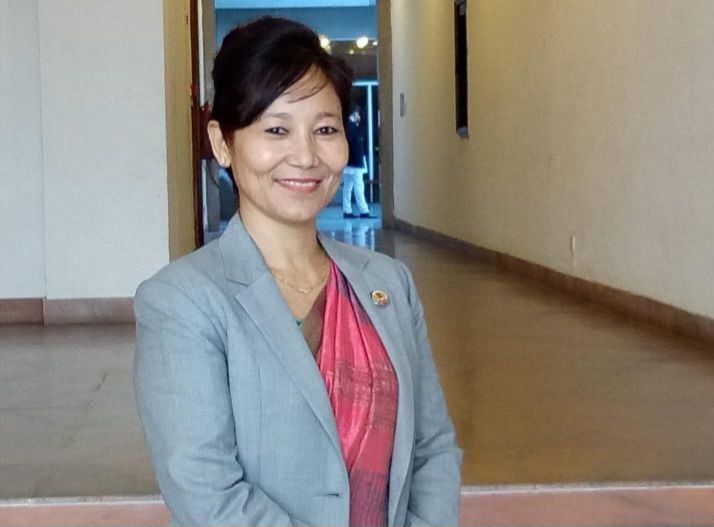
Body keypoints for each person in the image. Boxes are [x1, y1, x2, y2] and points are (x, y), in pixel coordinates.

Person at [133, 16, 461, 527]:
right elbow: (206, 491)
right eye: (276, 130)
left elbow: (431, 447)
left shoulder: (388, 283)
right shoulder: (182, 300)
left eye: (325, 129)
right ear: (222, 142)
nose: (306, 156)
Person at [342, 106, 374, 218]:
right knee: (358, 186)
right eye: (358, 114)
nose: (359, 116)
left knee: (348, 186)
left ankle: (347, 210)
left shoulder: (348, 126)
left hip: (350, 161)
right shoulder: (352, 127)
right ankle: (364, 210)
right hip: (356, 161)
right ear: (354, 114)